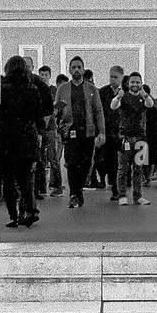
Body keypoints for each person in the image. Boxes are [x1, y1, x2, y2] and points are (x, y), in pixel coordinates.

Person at [54, 57, 105, 209]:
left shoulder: (91, 89)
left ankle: (79, 190)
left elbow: (99, 111)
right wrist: (59, 129)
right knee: (72, 163)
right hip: (70, 132)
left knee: (86, 163)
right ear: (69, 70)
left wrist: (101, 132)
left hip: (88, 133)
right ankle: (74, 194)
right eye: (73, 67)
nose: (76, 70)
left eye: (79, 67)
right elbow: (56, 111)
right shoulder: (62, 89)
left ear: (83, 70)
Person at [0, 56, 45, 228]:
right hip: (27, 138)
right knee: (26, 179)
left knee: (9, 179)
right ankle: (31, 210)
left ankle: (13, 216)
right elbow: (39, 118)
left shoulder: (2, 89)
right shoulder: (32, 89)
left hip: (7, 139)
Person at [110, 73, 152, 207]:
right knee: (123, 169)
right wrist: (118, 96)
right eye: (132, 82)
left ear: (141, 83)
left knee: (138, 169)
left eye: (137, 82)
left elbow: (150, 105)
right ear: (128, 83)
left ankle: (138, 196)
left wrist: (145, 95)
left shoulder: (143, 97)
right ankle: (122, 195)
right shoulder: (123, 96)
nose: (135, 85)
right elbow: (113, 106)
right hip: (125, 139)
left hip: (140, 139)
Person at [23, 57, 54, 199]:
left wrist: (42, 127)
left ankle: (37, 190)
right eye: (24, 66)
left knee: (38, 160)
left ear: (33, 67)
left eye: (28, 66)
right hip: (20, 130)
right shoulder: (14, 82)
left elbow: (47, 106)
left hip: (36, 129)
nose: (26, 69)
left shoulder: (38, 83)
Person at [96, 66, 124, 196]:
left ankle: (116, 189)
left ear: (121, 78)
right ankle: (106, 180)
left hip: (120, 133)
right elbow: (98, 112)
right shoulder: (102, 92)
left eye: (115, 77)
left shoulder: (126, 93)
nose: (112, 79)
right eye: (111, 76)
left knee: (118, 162)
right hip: (106, 132)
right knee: (104, 160)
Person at [37, 65, 63, 195]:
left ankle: (56, 185)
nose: (43, 77)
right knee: (40, 157)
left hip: (51, 127)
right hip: (39, 127)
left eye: (46, 75)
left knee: (53, 157)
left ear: (50, 76)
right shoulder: (35, 89)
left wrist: (54, 110)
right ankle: (41, 187)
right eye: (41, 75)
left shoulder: (54, 90)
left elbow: (59, 107)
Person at [142, 84, 157, 186]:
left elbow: (155, 123)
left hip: (149, 136)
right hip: (149, 136)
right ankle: (146, 177)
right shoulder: (153, 105)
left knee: (147, 159)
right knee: (146, 158)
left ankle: (146, 177)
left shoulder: (151, 107)